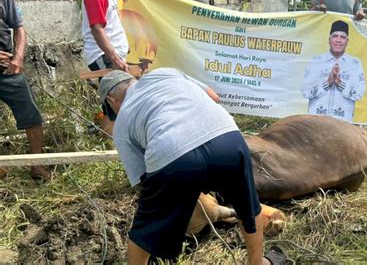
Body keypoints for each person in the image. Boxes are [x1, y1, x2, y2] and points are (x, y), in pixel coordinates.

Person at [98, 68, 277, 264]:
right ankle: (257, 262)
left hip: (173, 155)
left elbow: (144, 179)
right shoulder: (166, 73)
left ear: (110, 100)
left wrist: (176, 199)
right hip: (228, 138)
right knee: (248, 207)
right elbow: (214, 97)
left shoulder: (123, 120)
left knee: (144, 233)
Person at [0, 0, 50, 180]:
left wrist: (18, 57)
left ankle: (36, 166)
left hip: (7, 70)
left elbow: (19, 28)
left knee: (32, 115)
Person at [82, 0, 130, 133]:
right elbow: (97, 28)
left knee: (116, 101)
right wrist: (114, 57)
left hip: (110, 55)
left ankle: (111, 142)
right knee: (116, 101)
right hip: (104, 56)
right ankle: (112, 146)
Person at [301, 20, 366, 122]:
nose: (338, 40)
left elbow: (359, 93)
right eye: (335, 36)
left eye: (342, 37)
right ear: (329, 39)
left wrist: (340, 83)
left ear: (347, 41)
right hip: (316, 123)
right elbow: (306, 91)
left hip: (343, 124)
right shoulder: (316, 61)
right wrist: (328, 83)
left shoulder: (355, 63)